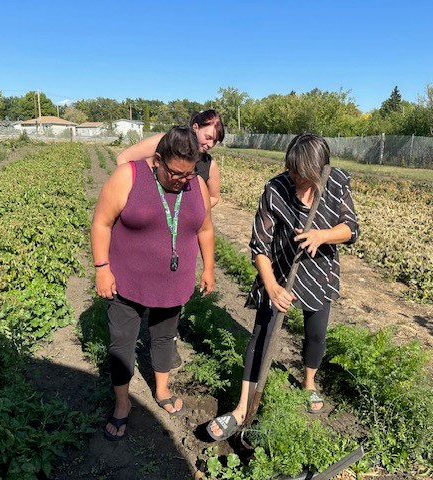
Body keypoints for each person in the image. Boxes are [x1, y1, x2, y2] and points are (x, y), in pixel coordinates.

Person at [206, 133, 359, 442]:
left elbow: (351, 229)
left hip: (319, 271)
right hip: (278, 268)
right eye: (289, 168)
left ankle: (309, 384)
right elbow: (259, 245)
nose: (292, 175)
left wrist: (321, 236)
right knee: (261, 336)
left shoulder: (336, 182)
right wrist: (273, 287)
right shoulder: (275, 190)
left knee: (315, 333)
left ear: (316, 171)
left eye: (298, 172)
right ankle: (241, 409)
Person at [91, 126, 215, 441]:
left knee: (164, 338)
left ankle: (161, 390)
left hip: (173, 283)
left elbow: (205, 230)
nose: (182, 180)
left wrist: (208, 269)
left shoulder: (195, 184)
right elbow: (102, 223)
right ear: (157, 159)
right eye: (175, 173)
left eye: (189, 174)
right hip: (127, 281)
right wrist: (102, 268)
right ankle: (122, 403)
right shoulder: (128, 176)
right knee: (122, 343)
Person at [116, 109, 225, 207]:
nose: (210, 144)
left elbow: (214, 197)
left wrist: (194, 209)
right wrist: (132, 198)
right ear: (195, 127)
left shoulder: (209, 164)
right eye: (208, 137)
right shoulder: (163, 142)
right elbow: (123, 159)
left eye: (215, 141)